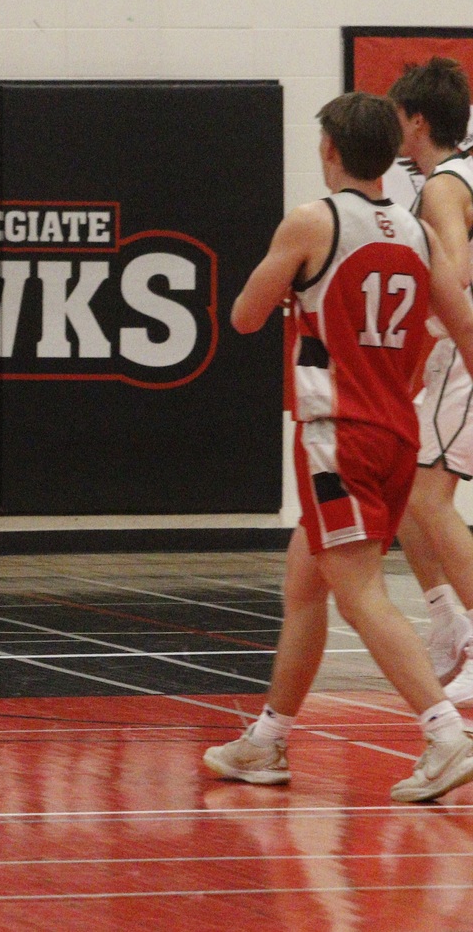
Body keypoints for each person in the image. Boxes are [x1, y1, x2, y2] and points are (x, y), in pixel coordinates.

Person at [202, 92, 473, 803]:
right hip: (398, 432)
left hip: (337, 435)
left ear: (329, 149)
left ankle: (445, 732)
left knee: (358, 595)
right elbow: (466, 326)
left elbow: (244, 315)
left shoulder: (312, 221)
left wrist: (295, 288)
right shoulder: (419, 233)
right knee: (304, 585)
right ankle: (267, 740)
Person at [386, 58, 473, 699]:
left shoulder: (443, 186)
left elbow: (456, 274)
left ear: (417, 120)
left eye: (396, 117)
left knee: (427, 498)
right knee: (402, 487)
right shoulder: (456, 176)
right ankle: (447, 620)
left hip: (464, 352)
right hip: (450, 356)